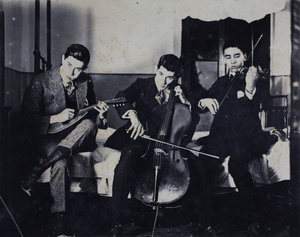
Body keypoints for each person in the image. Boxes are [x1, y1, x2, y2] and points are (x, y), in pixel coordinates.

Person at [104, 54, 198, 237]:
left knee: (194, 164)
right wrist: (132, 115)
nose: (164, 80)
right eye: (161, 74)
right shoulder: (142, 84)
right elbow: (121, 97)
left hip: (168, 141)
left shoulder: (179, 91)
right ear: (157, 68)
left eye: (170, 77)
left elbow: (188, 123)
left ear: (176, 76)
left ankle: (189, 220)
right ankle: (117, 223)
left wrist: (186, 103)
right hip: (142, 136)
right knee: (125, 162)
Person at [20, 44, 109, 236]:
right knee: (59, 161)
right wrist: (54, 118)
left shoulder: (86, 81)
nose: (73, 72)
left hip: (78, 135)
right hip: (50, 136)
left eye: (79, 69)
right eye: (69, 65)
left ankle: (37, 171)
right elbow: (25, 119)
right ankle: (60, 225)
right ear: (62, 58)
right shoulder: (41, 81)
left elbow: (92, 116)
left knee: (88, 125)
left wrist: (101, 116)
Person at [195, 38, 272, 236]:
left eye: (237, 56)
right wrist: (205, 100)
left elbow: (259, 107)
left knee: (236, 165)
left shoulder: (257, 80)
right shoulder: (221, 82)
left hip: (246, 136)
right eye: (228, 57)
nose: (233, 61)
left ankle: (254, 220)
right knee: (204, 162)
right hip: (221, 136)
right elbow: (205, 100)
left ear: (245, 57)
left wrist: (249, 87)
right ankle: (205, 223)